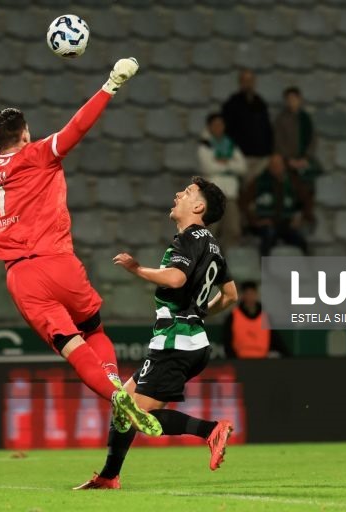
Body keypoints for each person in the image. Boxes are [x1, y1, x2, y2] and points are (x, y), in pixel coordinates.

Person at [0, 58, 162, 437]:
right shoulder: (37, 153)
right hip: (58, 263)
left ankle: (112, 395)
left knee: (70, 346)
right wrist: (110, 84)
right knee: (93, 330)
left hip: (21, 277)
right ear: (26, 134)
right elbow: (76, 128)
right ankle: (119, 384)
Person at [75, 177, 239, 490]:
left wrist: (137, 269)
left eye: (188, 192)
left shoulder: (189, 238)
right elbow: (230, 295)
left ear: (198, 207)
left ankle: (210, 430)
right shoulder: (213, 246)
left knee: (136, 412)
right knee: (123, 402)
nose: (179, 193)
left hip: (176, 341)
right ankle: (109, 476)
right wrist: (201, 312)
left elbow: (176, 279)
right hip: (189, 339)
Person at [243, 154, 312, 256]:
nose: (275, 168)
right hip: (266, 223)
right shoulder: (259, 182)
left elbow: (306, 200)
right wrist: (255, 221)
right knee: (269, 237)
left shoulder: (293, 182)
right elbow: (244, 202)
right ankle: (265, 269)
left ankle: (306, 269)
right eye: (273, 166)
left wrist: (300, 217)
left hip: (286, 223)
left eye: (278, 165)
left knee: (301, 241)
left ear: (283, 166)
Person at [197, 113, 248, 250]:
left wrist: (223, 164)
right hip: (213, 195)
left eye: (221, 124)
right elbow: (208, 167)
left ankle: (227, 261)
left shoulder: (230, 144)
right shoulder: (205, 144)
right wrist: (231, 165)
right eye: (215, 125)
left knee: (233, 230)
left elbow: (242, 167)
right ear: (210, 127)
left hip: (230, 194)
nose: (219, 127)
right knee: (210, 230)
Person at [221, 69, 274, 179]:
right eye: (245, 80)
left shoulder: (260, 102)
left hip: (261, 156)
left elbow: (267, 128)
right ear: (240, 82)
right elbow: (226, 131)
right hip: (240, 155)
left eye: (250, 80)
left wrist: (269, 151)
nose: (248, 83)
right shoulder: (231, 103)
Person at [223, 281, 290, 359]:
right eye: (247, 294)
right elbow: (227, 342)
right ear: (243, 296)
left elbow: (276, 341)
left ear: (256, 295)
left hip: (262, 362)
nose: (250, 297)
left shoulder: (266, 318)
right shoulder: (233, 317)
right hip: (240, 362)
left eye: (252, 293)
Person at [274, 86, 322, 193]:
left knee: (309, 190)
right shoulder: (281, 119)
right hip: (287, 161)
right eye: (289, 99)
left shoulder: (306, 118)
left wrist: (305, 158)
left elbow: (312, 140)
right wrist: (290, 160)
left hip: (304, 160)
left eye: (294, 98)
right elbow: (278, 141)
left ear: (299, 99)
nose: (291, 101)